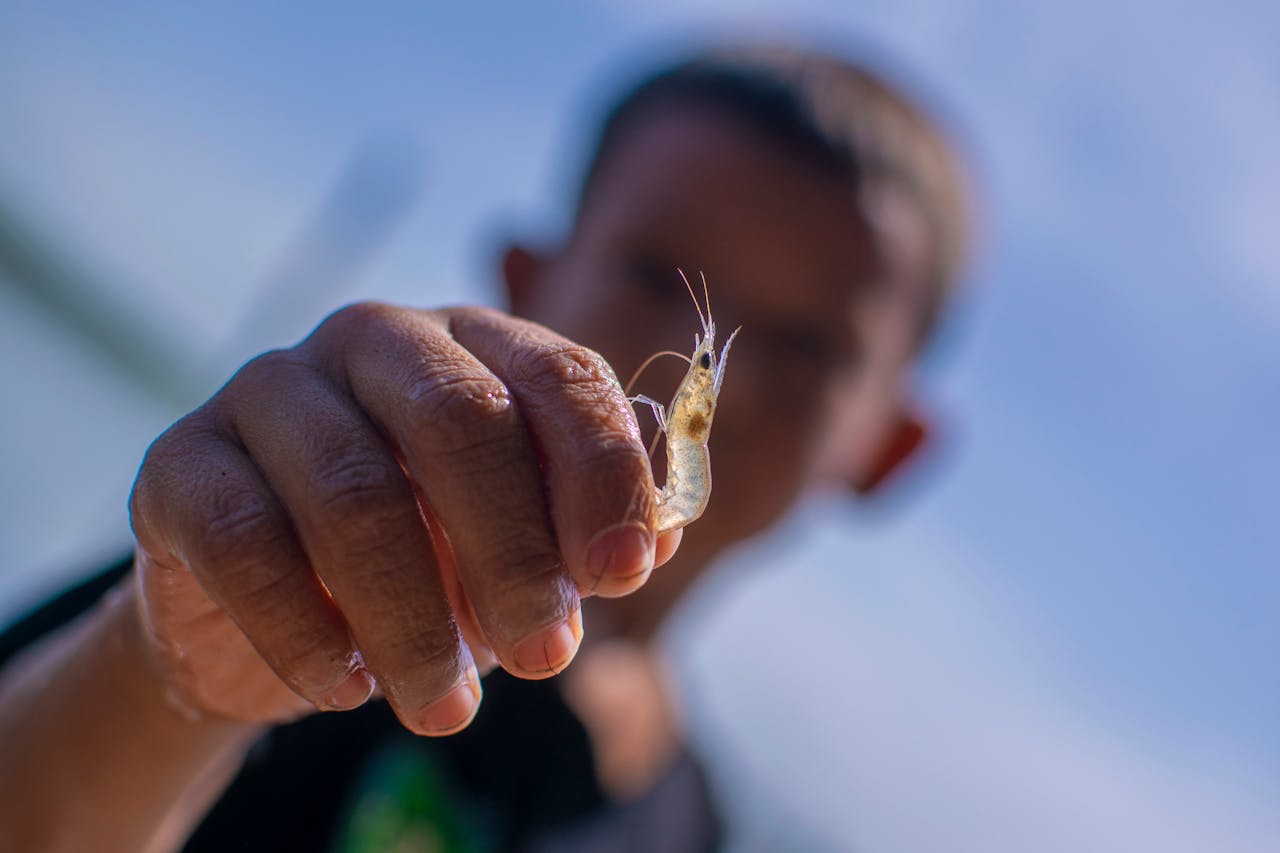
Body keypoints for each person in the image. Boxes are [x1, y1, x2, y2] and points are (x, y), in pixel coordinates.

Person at [0, 42, 969, 851]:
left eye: (807, 351)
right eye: (648, 272)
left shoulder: (697, 832)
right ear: (522, 282)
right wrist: (168, 686)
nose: (733, 381)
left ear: (888, 452)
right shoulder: (322, 553)